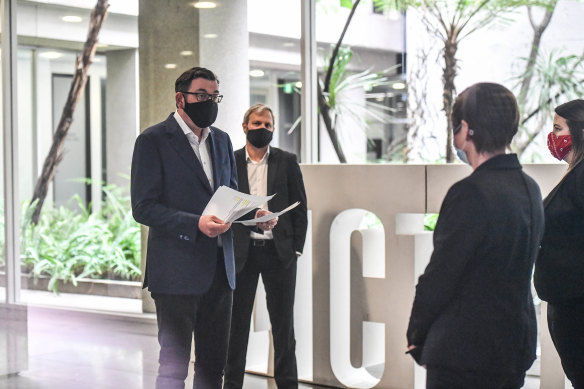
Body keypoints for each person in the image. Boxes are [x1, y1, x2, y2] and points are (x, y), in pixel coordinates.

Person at [131, 67, 274, 389]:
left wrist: (255, 213)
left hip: (220, 273)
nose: (209, 102)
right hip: (175, 273)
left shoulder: (221, 141)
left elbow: (229, 196)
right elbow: (143, 208)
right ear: (181, 98)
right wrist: (194, 223)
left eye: (214, 96)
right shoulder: (153, 140)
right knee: (173, 369)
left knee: (213, 368)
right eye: (201, 96)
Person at [406, 83, 545, 389]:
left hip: (464, 353)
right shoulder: (530, 188)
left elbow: (441, 276)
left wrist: (416, 335)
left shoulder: (469, 192)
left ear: (466, 129)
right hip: (512, 346)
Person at [224, 104, 308, 389]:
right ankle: (232, 384)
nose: (262, 129)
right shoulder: (230, 160)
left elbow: (300, 207)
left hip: (279, 254)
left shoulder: (287, 160)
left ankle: (288, 385)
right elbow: (225, 205)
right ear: (245, 126)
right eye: (257, 124)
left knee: (284, 328)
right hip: (241, 253)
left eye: (268, 125)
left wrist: (295, 248)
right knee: (236, 327)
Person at [534, 100, 584, 389]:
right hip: (568, 302)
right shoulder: (575, 174)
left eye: (557, 128)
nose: (553, 138)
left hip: (576, 306)